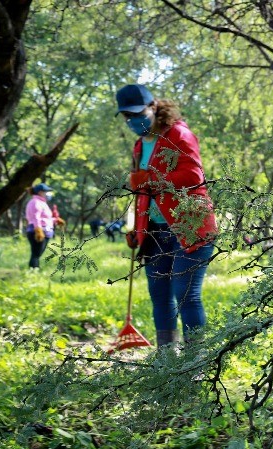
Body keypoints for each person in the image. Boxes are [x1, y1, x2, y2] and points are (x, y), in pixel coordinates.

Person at [117, 83, 218, 347]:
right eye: (127, 116)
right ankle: (166, 359)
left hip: (190, 225)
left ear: (154, 107)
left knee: (185, 294)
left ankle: (195, 360)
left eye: (138, 114)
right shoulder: (139, 146)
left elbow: (194, 177)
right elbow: (142, 193)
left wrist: (151, 179)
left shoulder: (179, 135)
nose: (133, 121)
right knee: (159, 294)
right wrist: (138, 228)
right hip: (155, 230)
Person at [24, 183, 55, 269]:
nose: (48, 193)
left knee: (37, 253)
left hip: (45, 231)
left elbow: (45, 218)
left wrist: (55, 220)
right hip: (38, 231)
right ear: (40, 192)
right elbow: (35, 218)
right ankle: (33, 270)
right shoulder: (35, 202)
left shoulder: (42, 202)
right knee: (36, 253)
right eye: (46, 191)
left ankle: (34, 270)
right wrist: (38, 230)